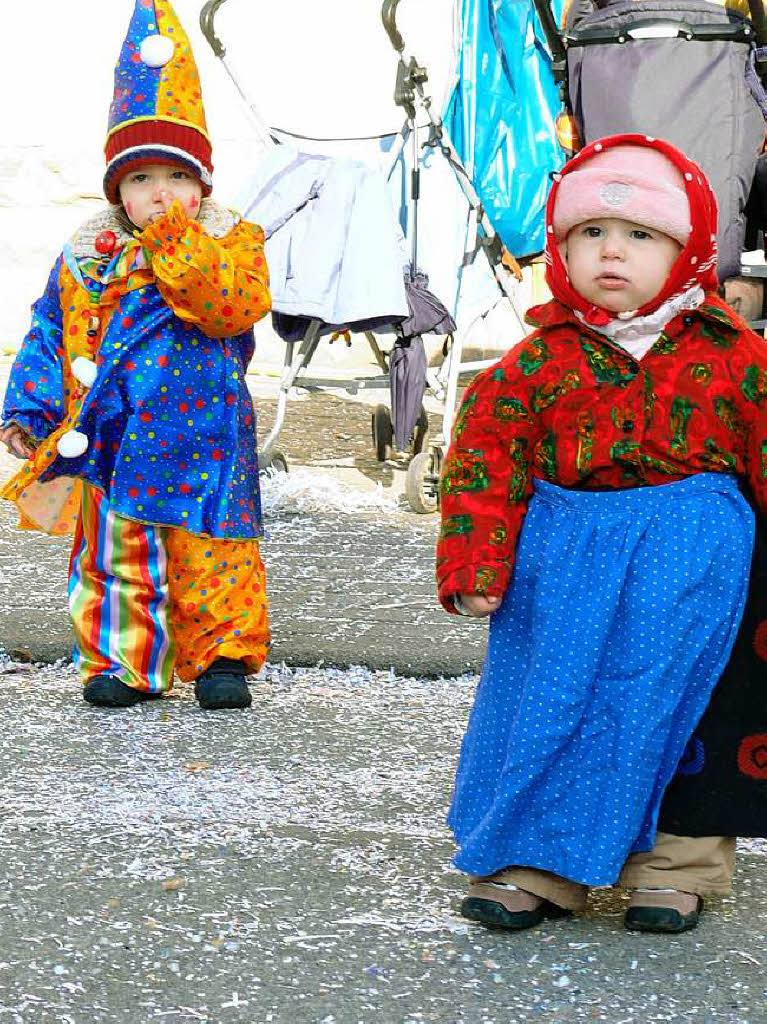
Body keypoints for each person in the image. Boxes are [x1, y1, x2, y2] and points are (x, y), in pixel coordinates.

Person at [436, 133, 767, 934]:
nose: (610, 251)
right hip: (565, 568)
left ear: (687, 251)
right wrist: (477, 561)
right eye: (589, 233)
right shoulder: (535, 362)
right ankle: (534, 864)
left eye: (638, 235)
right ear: (560, 246)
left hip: (694, 568)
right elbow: (483, 460)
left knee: (690, 713)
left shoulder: (736, 358)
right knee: (556, 705)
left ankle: (674, 866)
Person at [0, 0, 271, 710]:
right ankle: (125, 663)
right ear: (118, 189)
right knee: (114, 557)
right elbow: (49, 328)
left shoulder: (227, 242)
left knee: (213, 550)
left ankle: (223, 658)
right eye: (142, 179)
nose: (161, 194)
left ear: (202, 184)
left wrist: (176, 244)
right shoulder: (89, 255)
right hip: (114, 433)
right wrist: (29, 404)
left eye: (177, 178)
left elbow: (228, 309)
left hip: (205, 438)